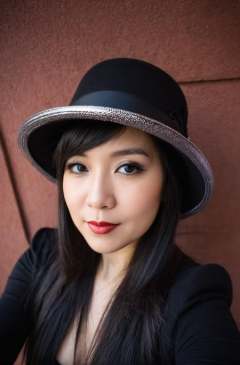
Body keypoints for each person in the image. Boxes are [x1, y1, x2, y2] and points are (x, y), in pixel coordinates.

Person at [1, 58, 240, 365]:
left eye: (128, 168)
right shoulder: (43, 258)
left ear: (168, 183)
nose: (98, 199)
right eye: (78, 166)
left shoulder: (193, 297)